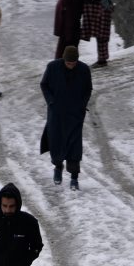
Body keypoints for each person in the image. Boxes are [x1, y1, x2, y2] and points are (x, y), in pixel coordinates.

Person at [40, 45, 93, 190]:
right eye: (68, 63)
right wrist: (51, 101)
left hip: (75, 115)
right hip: (56, 114)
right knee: (56, 142)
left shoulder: (83, 70)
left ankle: (74, 177)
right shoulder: (52, 67)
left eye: (73, 63)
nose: (70, 66)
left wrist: (82, 105)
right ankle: (58, 167)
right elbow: (44, 85)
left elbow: (88, 89)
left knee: (74, 146)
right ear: (63, 60)